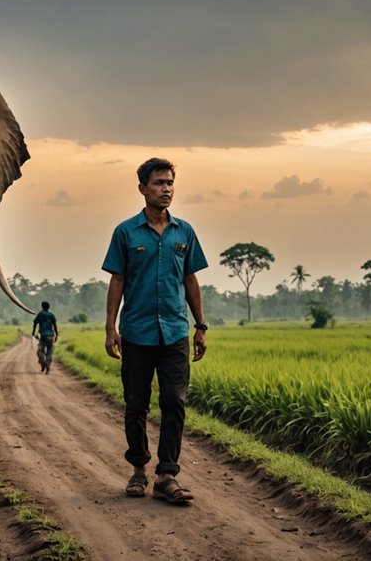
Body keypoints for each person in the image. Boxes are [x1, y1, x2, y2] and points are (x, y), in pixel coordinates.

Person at [102, 157, 208, 504]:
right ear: (142, 189)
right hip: (136, 333)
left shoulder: (185, 232)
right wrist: (110, 328)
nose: (166, 189)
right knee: (136, 404)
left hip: (175, 331)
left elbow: (190, 279)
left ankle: (166, 475)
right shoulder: (125, 232)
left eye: (170, 183)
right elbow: (117, 280)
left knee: (174, 401)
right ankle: (138, 470)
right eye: (159, 183)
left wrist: (200, 326)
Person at [31, 301, 58, 373]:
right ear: (49, 307)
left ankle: (43, 363)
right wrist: (56, 335)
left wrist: (33, 332)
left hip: (42, 336)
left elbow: (35, 322)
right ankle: (47, 365)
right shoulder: (51, 314)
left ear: (42, 306)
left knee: (40, 351)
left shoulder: (40, 314)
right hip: (50, 336)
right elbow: (55, 325)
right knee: (49, 352)